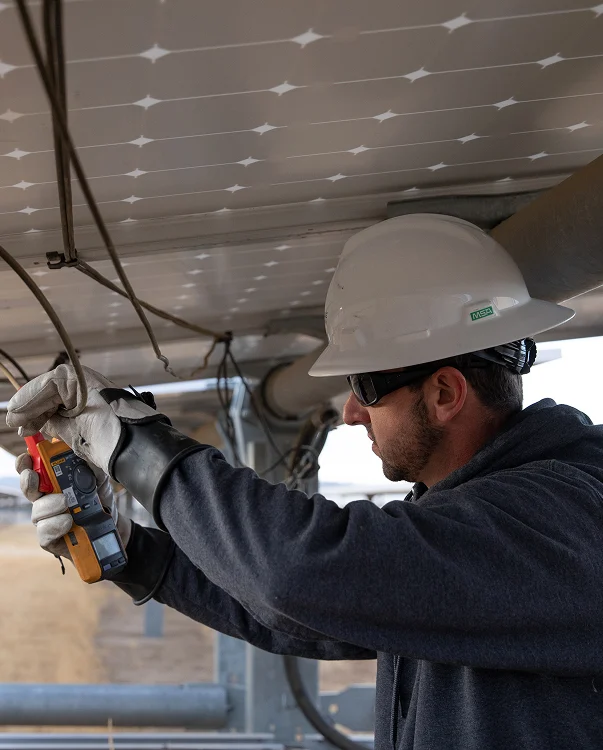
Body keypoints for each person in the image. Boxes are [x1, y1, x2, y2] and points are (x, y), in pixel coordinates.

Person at [7, 214, 603, 750]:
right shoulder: (487, 523)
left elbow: (296, 574)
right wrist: (136, 552)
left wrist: (134, 445)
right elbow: (305, 613)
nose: (349, 412)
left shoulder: (566, 521)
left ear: (446, 393)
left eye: (366, 387)